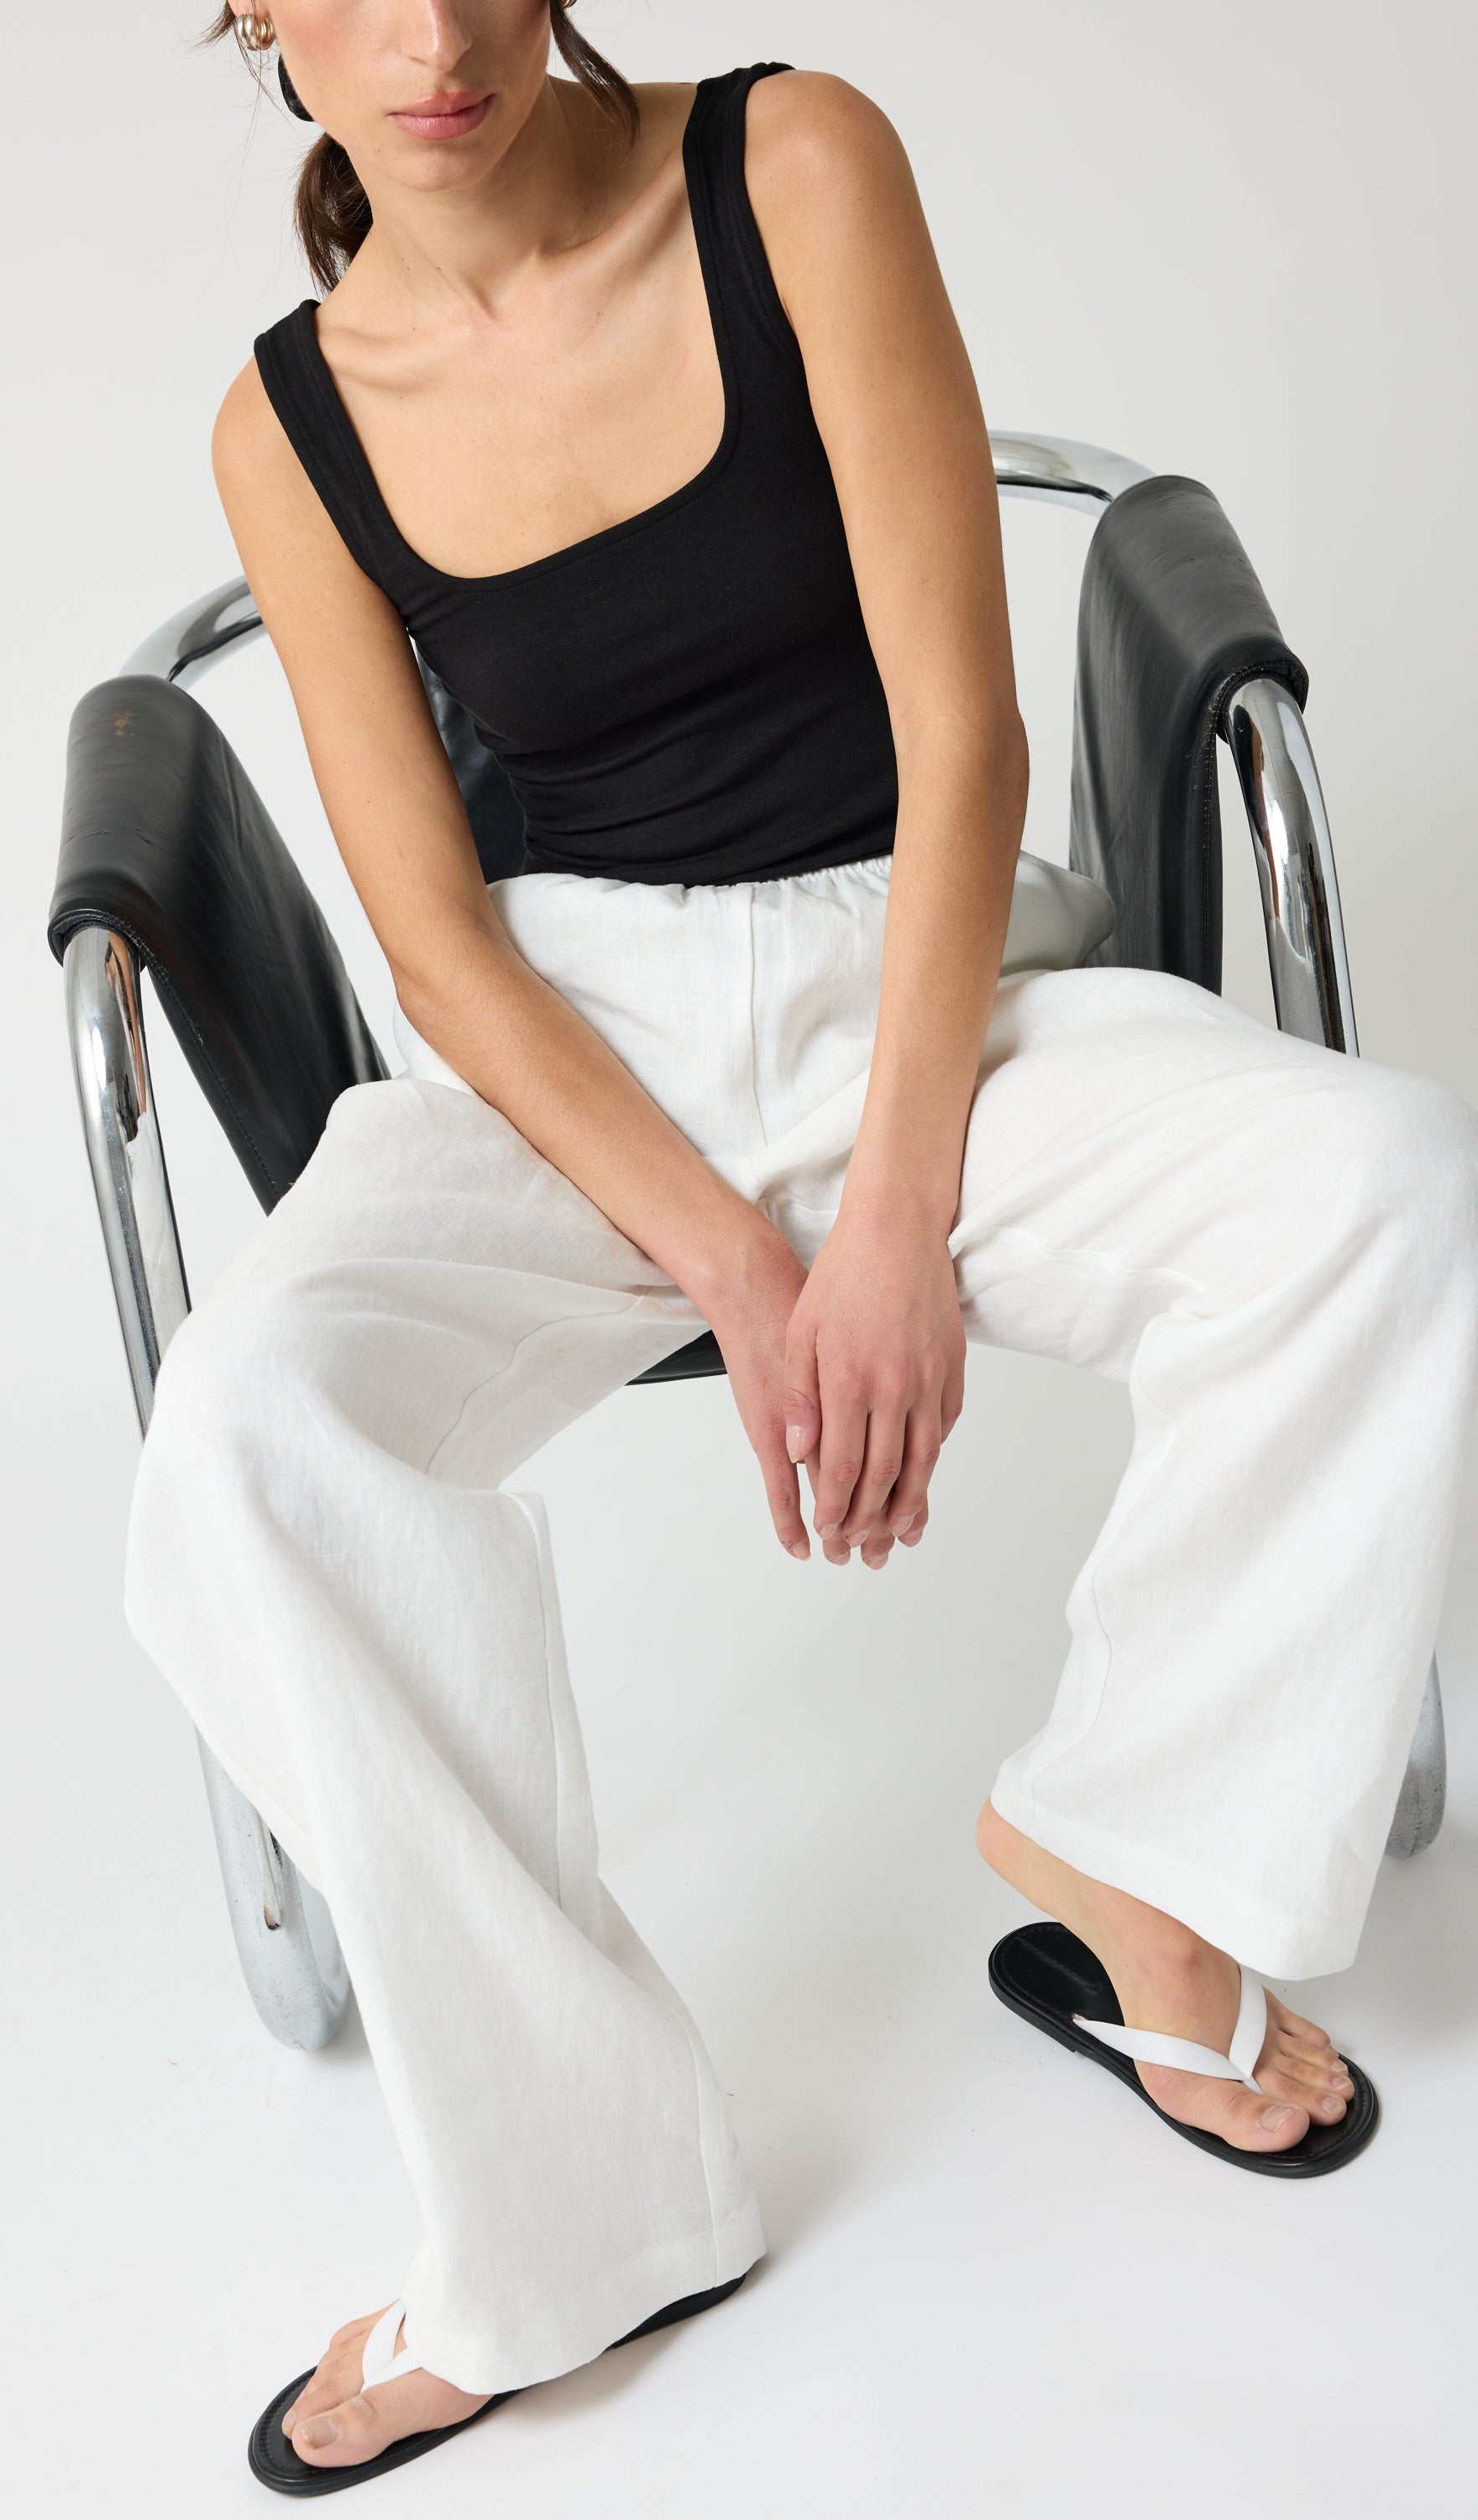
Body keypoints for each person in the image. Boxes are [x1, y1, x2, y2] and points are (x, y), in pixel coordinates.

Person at [126, 0, 1478, 2486]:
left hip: (923, 979)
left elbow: (966, 730)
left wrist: (886, 1203)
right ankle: (569, 2211)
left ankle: (1135, 1853)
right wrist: (738, 1270)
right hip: (564, 1056)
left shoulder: (792, 164)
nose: (429, 41)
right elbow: (432, 940)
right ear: (249, 15)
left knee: (1384, 1191)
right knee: (245, 1432)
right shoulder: (287, 420)